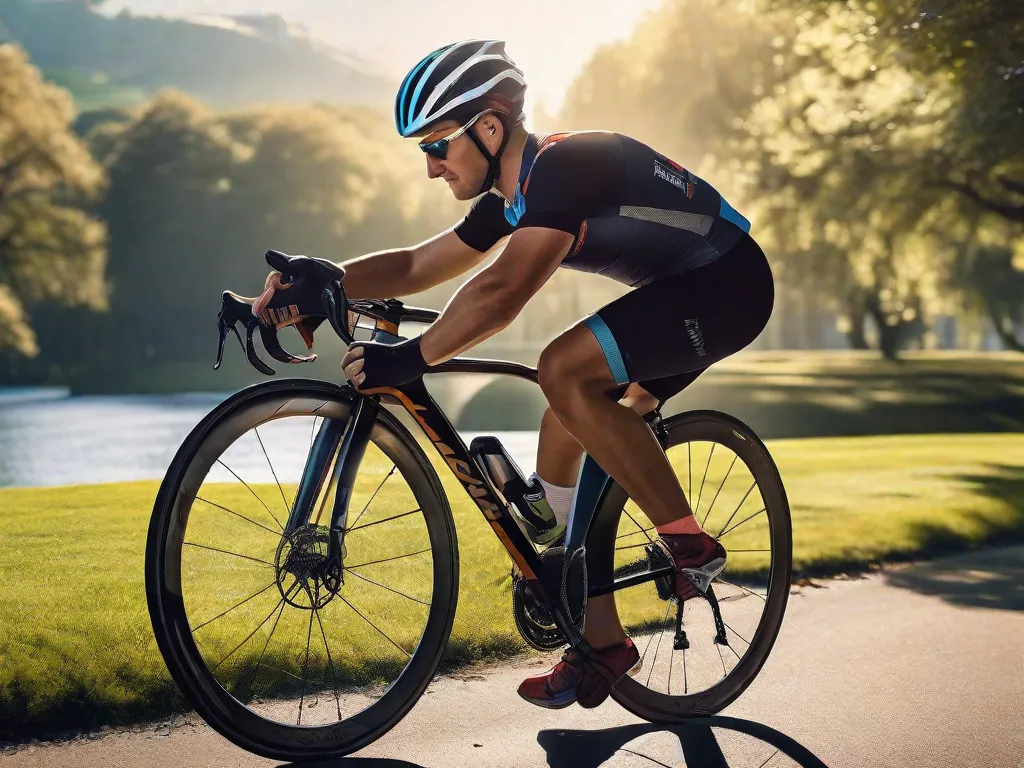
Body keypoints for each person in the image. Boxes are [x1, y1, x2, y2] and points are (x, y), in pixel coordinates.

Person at [256, 39, 775, 711]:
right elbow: (416, 265)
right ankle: (595, 630)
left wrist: (411, 358)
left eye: (437, 145)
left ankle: (689, 545)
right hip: (679, 293)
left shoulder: (566, 166)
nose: (431, 167)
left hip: (727, 285)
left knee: (562, 368)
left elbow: (502, 292)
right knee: (569, 419)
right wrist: (322, 280)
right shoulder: (512, 198)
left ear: (490, 128)